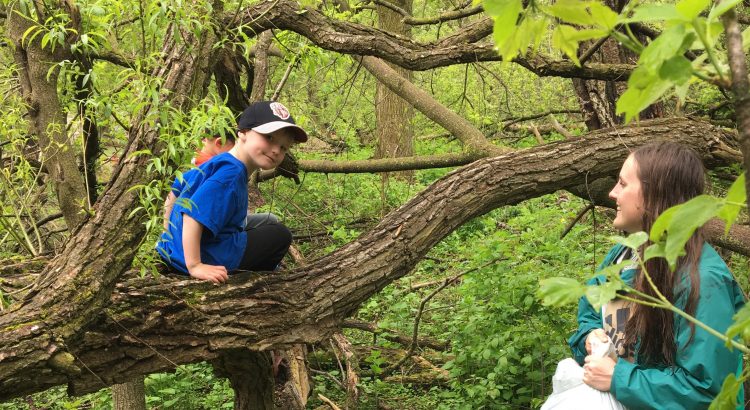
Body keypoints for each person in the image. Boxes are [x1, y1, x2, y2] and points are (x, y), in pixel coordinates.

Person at [567, 142, 745, 408]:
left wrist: (618, 378)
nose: (613, 193)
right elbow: (591, 308)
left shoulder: (704, 281)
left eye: (623, 184)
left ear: (655, 195)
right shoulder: (623, 254)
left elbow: (708, 392)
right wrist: (590, 337)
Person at [156, 101, 307, 283]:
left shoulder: (221, 161)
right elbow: (192, 215)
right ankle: (251, 281)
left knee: (267, 221)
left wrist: (168, 237)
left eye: (284, 147)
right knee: (279, 236)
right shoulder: (231, 174)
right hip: (201, 257)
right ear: (243, 132)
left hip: (177, 250)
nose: (276, 150)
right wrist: (195, 265)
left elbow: (176, 189)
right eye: (269, 137)